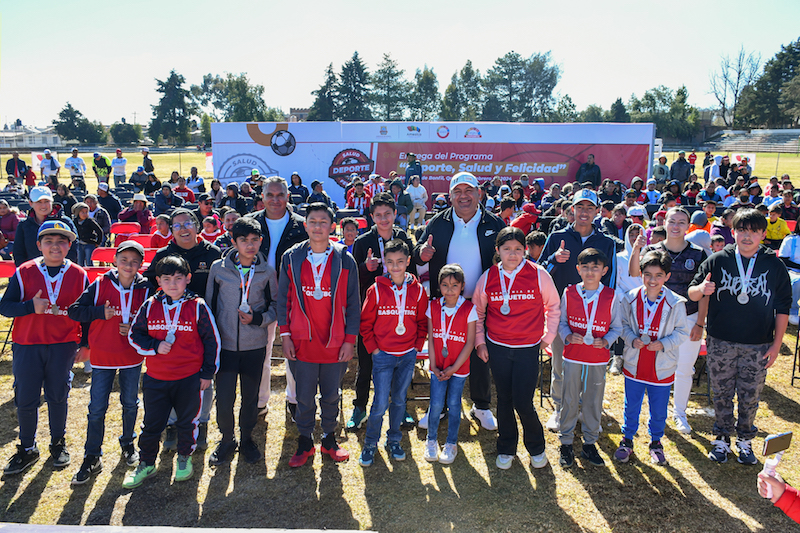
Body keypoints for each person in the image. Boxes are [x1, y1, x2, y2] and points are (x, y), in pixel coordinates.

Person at [689, 209, 791, 464]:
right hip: (721, 340)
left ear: (763, 234)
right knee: (722, 392)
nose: (747, 236)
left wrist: (777, 345)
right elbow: (692, 292)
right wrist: (702, 289)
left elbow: (783, 308)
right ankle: (721, 438)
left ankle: (745, 440)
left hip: (757, 344)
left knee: (750, 395)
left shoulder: (774, 265)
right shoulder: (718, 260)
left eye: (754, 231)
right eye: (742, 230)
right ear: (733, 231)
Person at [413, 172, 506, 432]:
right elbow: (417, 253)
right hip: (447, 303)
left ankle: (481, 405)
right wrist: (422, 253)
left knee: (480, 353)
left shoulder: (494, 223)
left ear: (479, 193)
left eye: (469, 191)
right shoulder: (437, 223)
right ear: (450, 195)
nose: (463, 196)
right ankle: (439, 407)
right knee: (444, 351)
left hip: (482, 303)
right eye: (458, 192)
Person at [0, 221, 88, 475]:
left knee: (58, 395)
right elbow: (5, 307)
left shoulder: (79, 274)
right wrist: (30, 306)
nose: (55, 246)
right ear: (38, 245)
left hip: (63, 344)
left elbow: (85, 314)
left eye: (61, 241)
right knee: (26, 397)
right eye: (49, 241)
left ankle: (58, 444)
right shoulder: (24, 271)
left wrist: (85, 344)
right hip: (27, 343)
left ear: (70, 245)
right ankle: (27, 447)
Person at [125, 255, 220, 487]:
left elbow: (212, 341)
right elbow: (134, 335)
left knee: (188, 422)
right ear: (158, 280)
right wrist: (155, 346)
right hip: (156, 378)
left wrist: (208, 373)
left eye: (178, 279)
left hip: (189, 378)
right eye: (167, 279)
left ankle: (184, 459)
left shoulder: (197, 306)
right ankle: (146, 463)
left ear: (188, 279)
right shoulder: (150, 305)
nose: (173, 284)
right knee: (151, 424)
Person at [473, 227, 560, 470]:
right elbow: (478, 313)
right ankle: (506, 447)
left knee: (523, 402)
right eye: (507, 249)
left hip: (527, 349)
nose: (512, 254)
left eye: (518, 249)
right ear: (498, 250)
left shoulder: (539, 274)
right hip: (498, 347)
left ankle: (536, 447)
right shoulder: (488, 276)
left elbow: (553, 306)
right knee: (504, 399)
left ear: (526, 250)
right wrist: (480, 342)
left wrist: (548, 336)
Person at [279, 203, 359, 467]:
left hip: (334, 342)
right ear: (305, 225)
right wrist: (286, 335)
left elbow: (353, 303)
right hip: (302, 341)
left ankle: (328, 438)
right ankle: (304, 441)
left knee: (331, 393)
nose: (317, 226)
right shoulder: (291, 257)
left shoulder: (345, 258)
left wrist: (349, 340)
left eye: (323, 221)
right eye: (312, 221)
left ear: (332, 226)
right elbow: (284, 299)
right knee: (303, 394)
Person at [67, 241, 153, 484]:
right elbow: (75, 311)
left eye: (134, 261)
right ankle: (92, 455)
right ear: (115, 260)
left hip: (131, 357)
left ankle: (128, 445)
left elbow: (153, 319)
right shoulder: (99, 284)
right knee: (96, 408)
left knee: (130, 403)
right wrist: (98, 313)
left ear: (141, 264)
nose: (129, 265)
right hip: (103, 357)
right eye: (124, 259)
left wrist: (136, 325)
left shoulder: (146, 288)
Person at [538, 188, 618, 431]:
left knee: (591, 365)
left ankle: (586, 409)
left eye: (589, 208)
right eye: (579, 207)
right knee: (561, 365)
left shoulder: (606, 242)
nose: (584, 212)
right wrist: (554, 259)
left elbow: (611, 279)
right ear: (572, 210)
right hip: (563, 312)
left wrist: (606, 313)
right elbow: (539, 270)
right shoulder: (556, 236)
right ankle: (560, 408)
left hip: (595, 314)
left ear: (597, 212)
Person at [144, 209, 222, 448]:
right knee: (171, 377)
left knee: (202, 378)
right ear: (170, 229)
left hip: (203, 325)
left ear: (198, 226)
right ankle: (172, 426)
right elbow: (149, 288)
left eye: (188, 223)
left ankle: (202, 423)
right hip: (169, 327)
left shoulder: (213, 253)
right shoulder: (163, 255)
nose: (183, 228)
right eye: (176, 225)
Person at [205, 217, 277, 465]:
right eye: (243, 240)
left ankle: (247, 439)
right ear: (234, 242)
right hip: (225, 347)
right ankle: (227, 440)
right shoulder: (218, 269)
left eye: (255, 240)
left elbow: (276, 306)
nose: (250, 245)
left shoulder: (267, 272)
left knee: (250, 398)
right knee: (224, 399)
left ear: (261, 241)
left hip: (254, 347)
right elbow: (210, 306)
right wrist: (211, 341)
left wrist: (258, 318)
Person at [629, 207, 707, 432]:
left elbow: (704, 292)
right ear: (664, 222)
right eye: (672, 221)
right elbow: (635, 273)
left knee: (684, 368)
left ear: (688, 225)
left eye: (681, 222)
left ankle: (679, 413)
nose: (676, 226)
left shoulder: (698, 254)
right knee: (653, 367)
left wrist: (700, 323)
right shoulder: (653, 249)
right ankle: (653, 414)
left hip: (688, 317)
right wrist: (637, 249)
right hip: (655, 318)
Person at [615, 250, 690, 466]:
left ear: (667, 276)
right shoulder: (630, 299)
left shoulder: (676, 303)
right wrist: (630, 339)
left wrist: (664, 344)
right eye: (648, 274)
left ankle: (656, 442)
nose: (652, 280)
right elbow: (624, 326)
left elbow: (682, 332)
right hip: (635, 363)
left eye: (658, 275)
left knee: (659, 408)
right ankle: (627, 440)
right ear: (641, 274)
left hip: (662, 366)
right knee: (631, 405)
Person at [348, 193, 415, 430]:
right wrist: (365, 268)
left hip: (398, 310)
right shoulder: (363, 241)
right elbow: (352, 275)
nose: (384, 219)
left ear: (395, 214)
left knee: (401, 361)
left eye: (388, 214)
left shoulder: (404, 238)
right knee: (366, 362)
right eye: (379, 215)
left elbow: (413, 270)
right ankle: (359, 407)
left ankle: (402, 406)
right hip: (372, 311)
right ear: (372, 216)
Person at [358, 239, 427, 467]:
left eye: (400, 261)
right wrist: (374, 350)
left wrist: (416, 346)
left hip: (407, 354)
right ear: (384, 263)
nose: (395, 266)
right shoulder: (376, 289)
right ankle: (370, 443)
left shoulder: (417, 291)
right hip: (383, 356)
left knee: (398, 400)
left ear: (408, 261)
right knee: (379, 402)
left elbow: (422, 322)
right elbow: (365, 323)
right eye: (390, 262)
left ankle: (394, 439)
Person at [246, 176, 308, 418]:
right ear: (262, 197)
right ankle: (260, 402)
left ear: (287, 196)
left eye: (279, 195)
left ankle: (294, 401)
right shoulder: (249, 223)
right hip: (258, 297)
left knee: (295, 352)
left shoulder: (301, 225)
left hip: (292, 296)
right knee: (261, 351)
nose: (274, 199)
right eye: (269, 195)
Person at [558, 248, 622, 468]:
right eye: (585, 267)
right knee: (569, 398)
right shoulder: (569, 293)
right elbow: (562, 322)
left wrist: (606, 341)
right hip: (573, 356)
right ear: (578, 269)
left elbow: (616, 327)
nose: (590, 272)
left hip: (597, 358)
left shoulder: (612, 296)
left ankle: (589, 443)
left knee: (593, 401)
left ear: (604, 271)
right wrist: (567, 335)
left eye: (595, 267)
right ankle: (565, 442)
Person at [424, 264, 477, 464]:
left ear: (462, 286)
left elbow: (470, 342)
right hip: (438, 368)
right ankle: (431, 440)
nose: (450, 289)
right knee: (436, 404)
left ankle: (451, 443)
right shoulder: (433, 307)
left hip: (459, 368)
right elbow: (431, 338)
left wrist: (453, 369)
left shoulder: (469, 309)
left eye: (455, 285)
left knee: (455, 404)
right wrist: (435, 366)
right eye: (445, 285)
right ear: (439, 286)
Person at [14, 186, 78, 265]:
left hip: (62, 272)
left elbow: (73, 249)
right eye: (39, 202)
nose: (43, 205)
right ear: (30, 203)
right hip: (32, 273)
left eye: (47, 201)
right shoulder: (23, 225)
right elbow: (18, 252)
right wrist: (26, 271)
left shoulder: (65, 222)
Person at [72, 202, 103, 266]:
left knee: (89, 262)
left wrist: (98, 242)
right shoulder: (74, 221)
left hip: (89, 244)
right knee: (80, 262)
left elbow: (99, 231)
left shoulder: (90, 221)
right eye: (82, 212)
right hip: (79, 244)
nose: (85, 214)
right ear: (78, 213)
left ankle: (91, 275)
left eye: (86, 212)